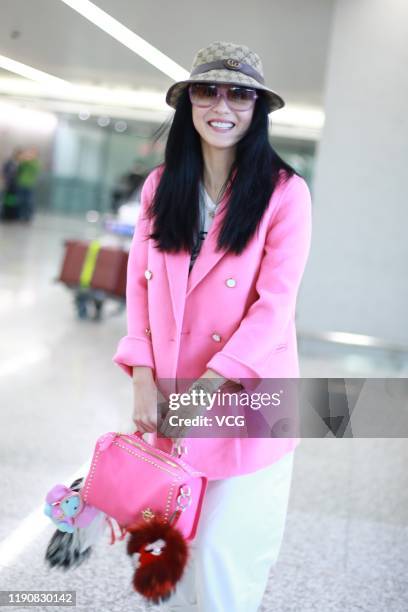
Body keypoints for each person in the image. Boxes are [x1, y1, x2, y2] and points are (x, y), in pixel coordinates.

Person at [113, 41, 312, 611]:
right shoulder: (161, 185)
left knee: (226, 559)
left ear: (258, 109)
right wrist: (143, 376)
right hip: (175, 394)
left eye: (240, 93)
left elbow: (275, 307)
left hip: (251, 400)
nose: (222, 105)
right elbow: (139, 285)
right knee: (169, 558)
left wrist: (207, 389)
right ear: (189, 103)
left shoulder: (284, 193)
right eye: (208, 90)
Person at [15, 147, 41, 222]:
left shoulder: (36, 162)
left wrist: (29, 160)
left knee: (29, 201)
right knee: (20, 200)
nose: (30, 154)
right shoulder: (24, 162)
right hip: (21, 183)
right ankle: (21, 216)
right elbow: (19, 165)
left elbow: (35, 169)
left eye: (32, 153)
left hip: (30, 184)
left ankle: (28, 217)